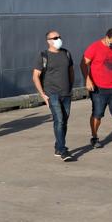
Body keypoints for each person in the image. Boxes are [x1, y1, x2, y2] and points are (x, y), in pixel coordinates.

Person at [32, 29, 75, 161]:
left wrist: (70, 87)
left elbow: (71, 71)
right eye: (55, 38)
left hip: (66, 93)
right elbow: (35, 76)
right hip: (52, 94)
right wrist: (43, 94)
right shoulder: (44, 56)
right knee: (59, 120)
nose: (58, 39)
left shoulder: (66, 53)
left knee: (64, 121)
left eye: (59, 37)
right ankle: (63, 150)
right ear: (48, 41)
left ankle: (58, 146)